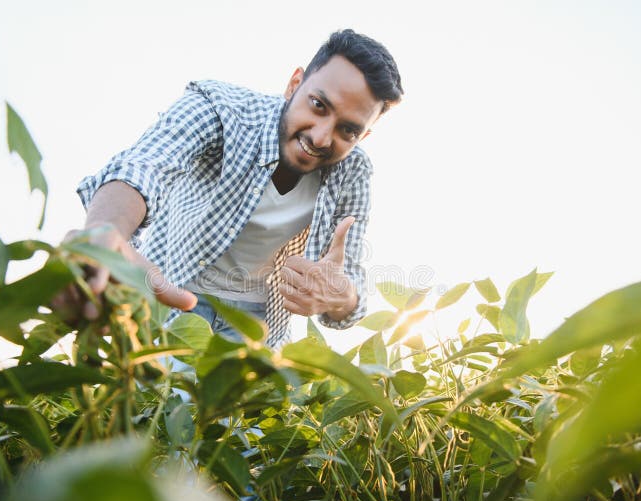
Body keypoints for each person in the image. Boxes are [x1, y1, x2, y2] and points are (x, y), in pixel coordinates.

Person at [58, 29, 403, 348]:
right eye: (318, 105)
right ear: (294, 84)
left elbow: (349, 279)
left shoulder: (353, 171)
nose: (320, 137)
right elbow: (144, 165)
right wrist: (107, 232)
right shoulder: (222, 109)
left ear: (363, 137)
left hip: (258, 320)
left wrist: (341, 297)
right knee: (162, 406)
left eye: (348, 131)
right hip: (174, 293)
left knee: (236, 414)